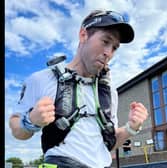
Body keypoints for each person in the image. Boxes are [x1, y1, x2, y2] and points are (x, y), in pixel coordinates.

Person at [9, 9, 148, 168]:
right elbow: (15, 127)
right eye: (105, 41)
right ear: (83, 35)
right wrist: (31, 121)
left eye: (115, 48)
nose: (108, 53)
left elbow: (108, 144)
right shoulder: (42, 79)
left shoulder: (109, 93)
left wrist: (131, 127)